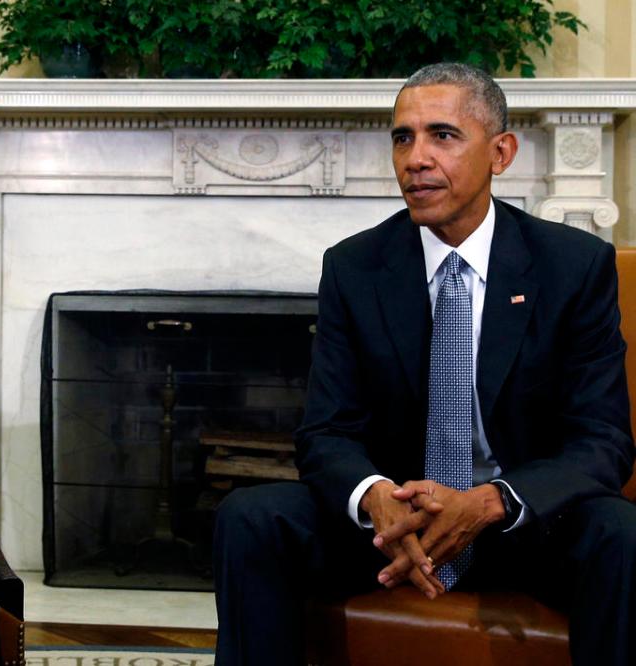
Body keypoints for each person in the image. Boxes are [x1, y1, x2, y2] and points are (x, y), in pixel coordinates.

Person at [213, 62, 636, 666]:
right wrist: (375, 497)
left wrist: (490, 502)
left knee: (621, 537)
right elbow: (326, 432)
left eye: (442, 135)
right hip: (394, 530)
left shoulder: (573, 266)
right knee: (251, 519)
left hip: (519, 526)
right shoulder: (356, 267)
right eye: (402, 137)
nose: (415, 158)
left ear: (501, 152)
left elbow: (603, 442)